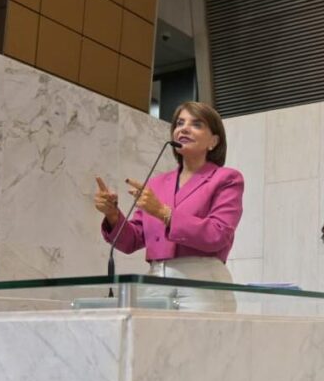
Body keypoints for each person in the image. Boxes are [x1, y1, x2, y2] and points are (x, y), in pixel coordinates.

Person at [94, 101, 244, 312]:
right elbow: (132, 240)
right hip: (155, 283)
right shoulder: (156, 183)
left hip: (202, 285)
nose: (184, 128)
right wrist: (112, 215)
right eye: (180, 123)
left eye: (196, 124)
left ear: (214, 141)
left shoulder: (226, 178)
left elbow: (218, 234)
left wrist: (162, 212)